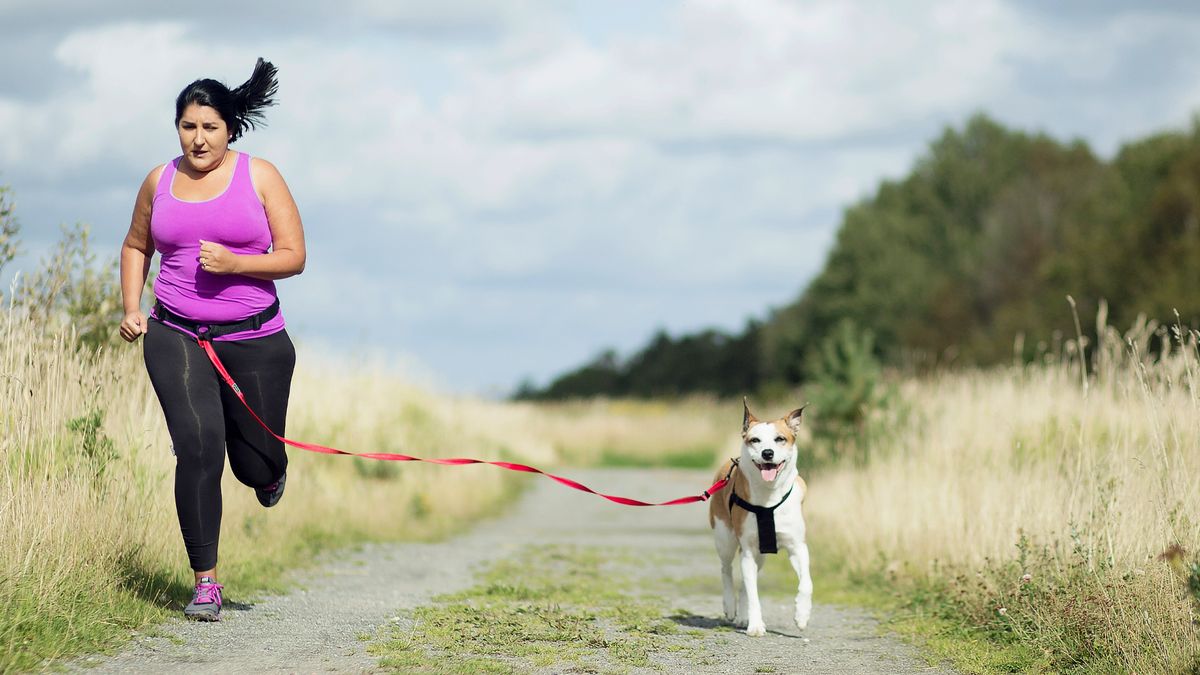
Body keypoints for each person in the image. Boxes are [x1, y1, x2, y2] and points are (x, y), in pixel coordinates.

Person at [118, 58, 306, 622]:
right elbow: (135, 246)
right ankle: (205, 582)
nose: (198, 139)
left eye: (210, 128)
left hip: (254, 339)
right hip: (175, 332)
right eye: (188, 126)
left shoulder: (261, 176)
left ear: (231, 129)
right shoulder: (160, 180)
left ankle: (271, 471)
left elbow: (294, 257)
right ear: (177, 127)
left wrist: (236, 263)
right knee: (198, 447)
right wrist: (133, 307)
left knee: (253, 464)